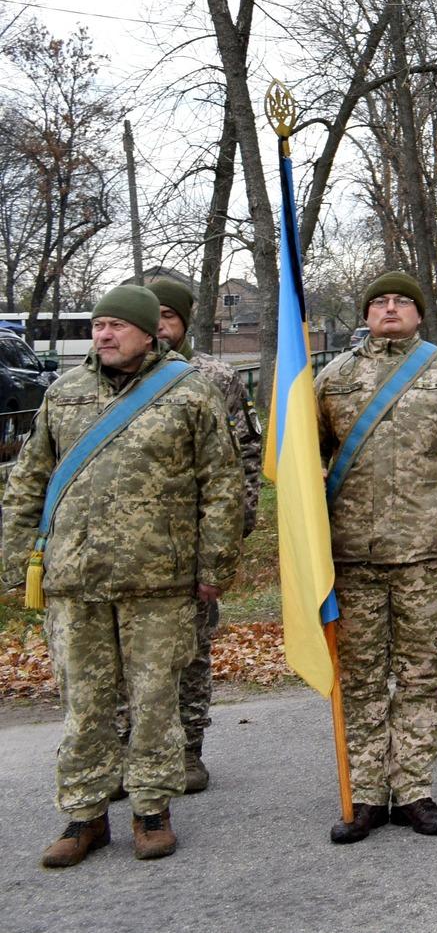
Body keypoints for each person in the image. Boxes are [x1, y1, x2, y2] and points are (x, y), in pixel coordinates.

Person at [1, 285, 241, 866]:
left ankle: (151, 811)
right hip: (74, 582)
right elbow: (29, 480)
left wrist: (214, 567)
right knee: (84, 703)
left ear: (149, 332)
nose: (103, 334)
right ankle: (84, 816)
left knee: (155, 701)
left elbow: (223, 486)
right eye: (98, 324)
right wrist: (13, 562)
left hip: (160, 582)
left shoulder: (190, 393)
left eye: (116, 325)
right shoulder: (64, 393)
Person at [317, 271, 437, 843]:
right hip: (352, 558)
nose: (390, 309)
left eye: (402, 302)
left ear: (419, 314)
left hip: (424, 555)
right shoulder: (333, 379)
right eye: (379, 302)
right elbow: (304, 467)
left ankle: (414, 789)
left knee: (419, 676)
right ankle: (366, 793)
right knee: (362, 679)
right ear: (365, 314)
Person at [148, 277, 264, 794]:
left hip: (193, 543)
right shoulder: (109, 378)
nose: (156, 329)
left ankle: (190, 750)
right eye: (148, 319)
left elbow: (246, 455)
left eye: (166, 319)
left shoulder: (215, 378)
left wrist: (237, 526)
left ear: (184, 322)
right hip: (132, 546)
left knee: (192, 650)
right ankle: (137, 751)